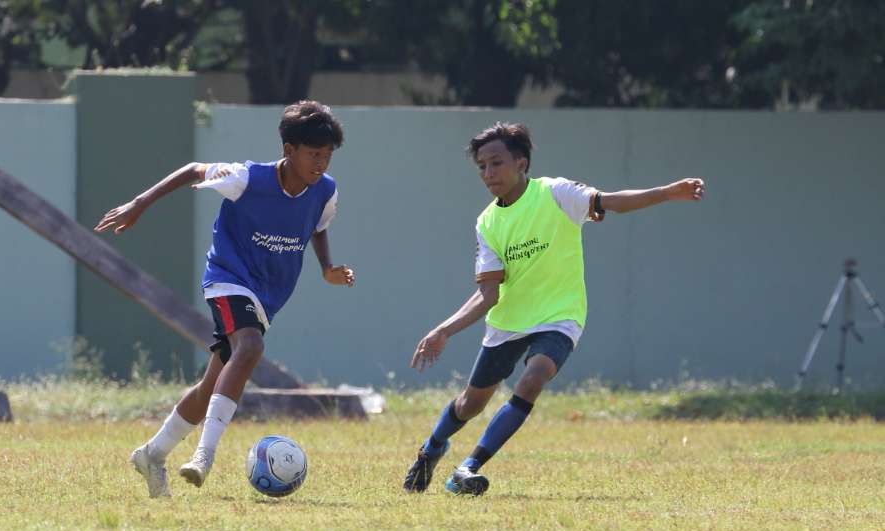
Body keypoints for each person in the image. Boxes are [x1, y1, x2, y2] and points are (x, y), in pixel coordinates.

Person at [402, 121, 704, 495]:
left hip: (560, 317)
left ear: (522, 163)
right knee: (469, 404)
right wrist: (443, 330)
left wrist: (666, 192)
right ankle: (431, 449)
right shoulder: (488, 223)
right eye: (481, 166)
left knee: (534, 377)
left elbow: (611, 201)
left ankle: (467, 468)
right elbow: (488, 295)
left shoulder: (557, 193)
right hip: (508, 323)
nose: (488, 173)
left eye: (496, 163)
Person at [95, 100, 355, 497]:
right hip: (228, 279)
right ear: (289, 150)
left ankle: (152, 454)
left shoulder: (326, 191)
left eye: (327, 155)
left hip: (269, 295)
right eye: (313, 154)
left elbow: (317, 226)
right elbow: (192, 170)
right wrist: (139, 204)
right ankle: (205, 455)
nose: (321, 163)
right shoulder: (246, 178)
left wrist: (327, 267)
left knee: (209, 386)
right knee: (250, 347)